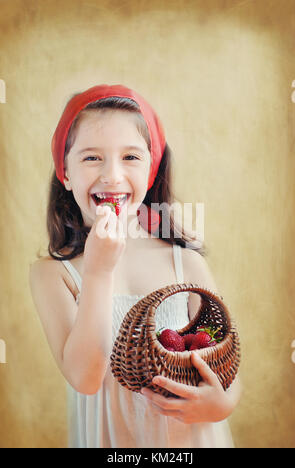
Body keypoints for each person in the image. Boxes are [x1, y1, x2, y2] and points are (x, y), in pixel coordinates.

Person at [29, 84, 242, 448]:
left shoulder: (184, 262)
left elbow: (227, 364)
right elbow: (85, 378)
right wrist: (98, 272)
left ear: (151, 170)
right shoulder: (53, 274)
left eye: (130, 157)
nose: (112, 175)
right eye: (91, 158)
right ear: (65, 172)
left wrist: (222, 403)